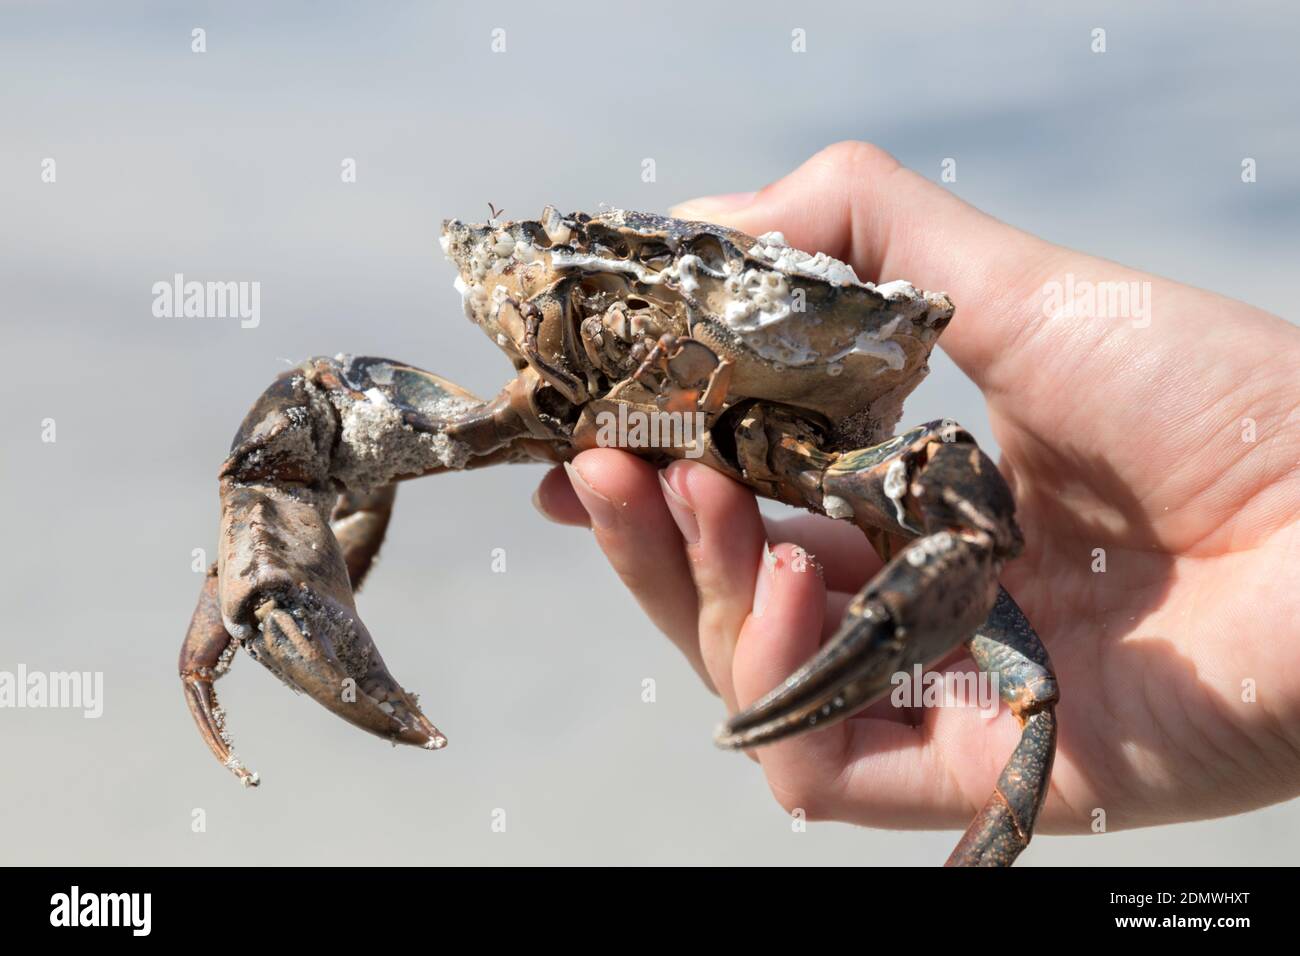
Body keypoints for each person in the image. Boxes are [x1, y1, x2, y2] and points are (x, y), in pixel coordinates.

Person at [532, 142, 1300, 836]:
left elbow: (1014, 659)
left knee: (1025, 704)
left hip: (817, 455)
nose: (623, 317)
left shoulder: (917, 472)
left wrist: (1279, 488)